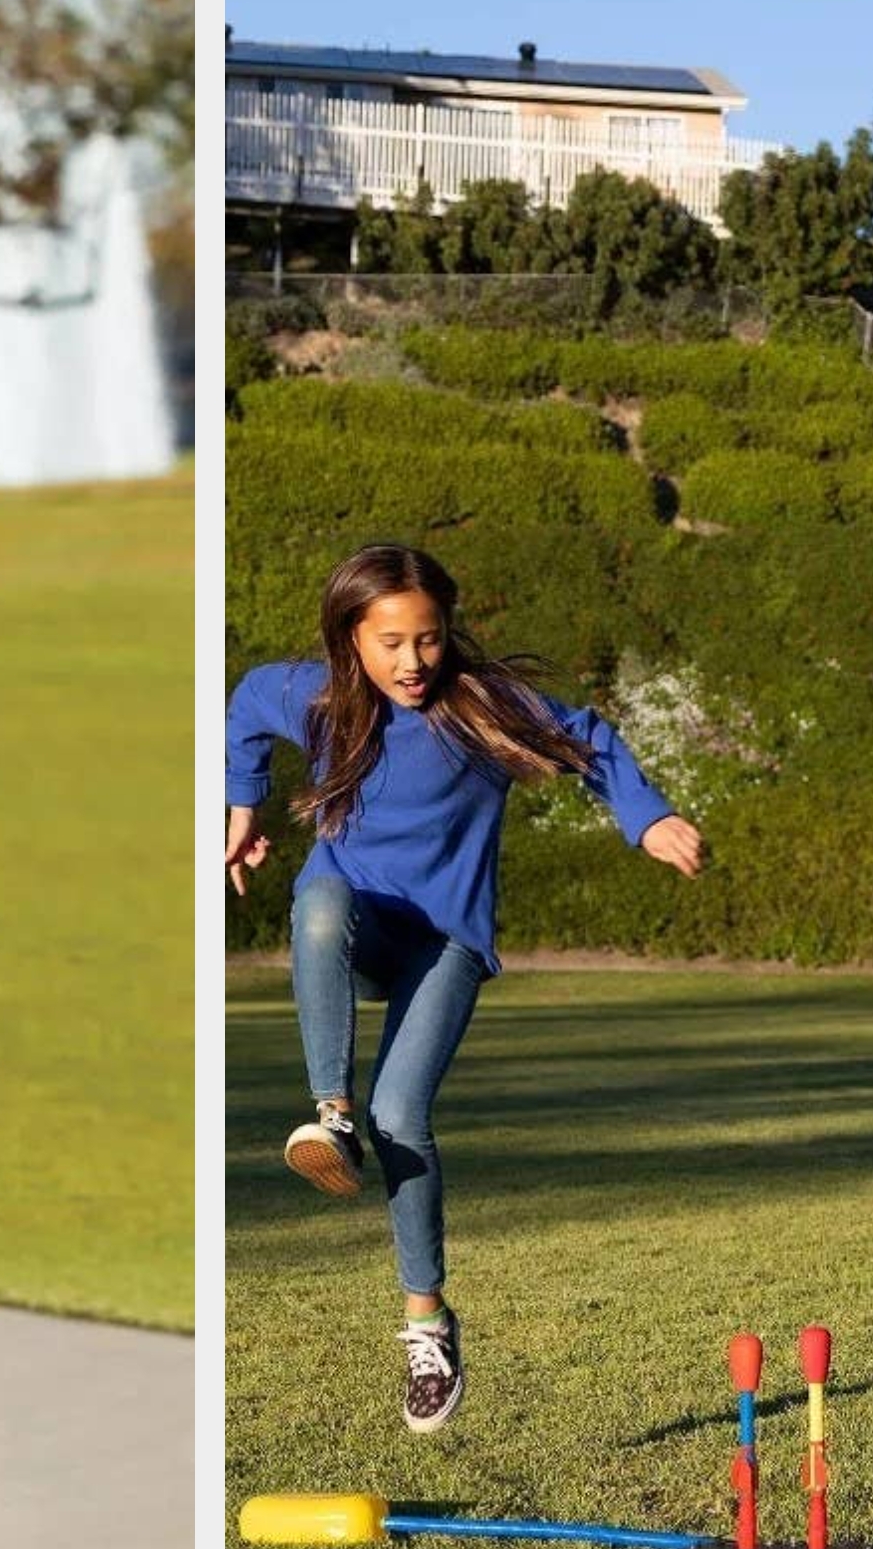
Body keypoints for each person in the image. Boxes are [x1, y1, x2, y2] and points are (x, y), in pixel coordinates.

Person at [224, 543, 702, 1429]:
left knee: (402, 1117)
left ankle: (427, 1323)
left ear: (450, 634)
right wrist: (244, 800)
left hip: (445, 944)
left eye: (431, 639)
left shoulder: (485, 706)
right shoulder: (319, 701)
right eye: (391, 642)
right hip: (358, 931)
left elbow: (590, 737)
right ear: (351, 639)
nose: (413, 663)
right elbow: (250, 700)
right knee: (319, 902)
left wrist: (648, 815)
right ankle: (330, 1112)